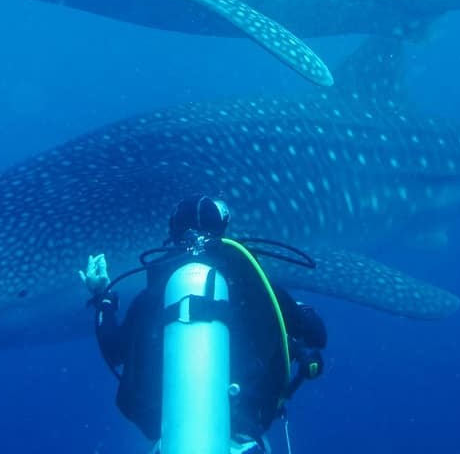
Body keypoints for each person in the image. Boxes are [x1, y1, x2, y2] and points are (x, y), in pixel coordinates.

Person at [80, 194, 327, 454]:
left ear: (173, 234)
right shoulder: (255, 286)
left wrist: (102, 299)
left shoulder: (153, 297)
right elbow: (318, 335)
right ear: (222, 229)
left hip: (171, 443)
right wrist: (298, 311)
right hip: (243, 443)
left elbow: (114, 350)